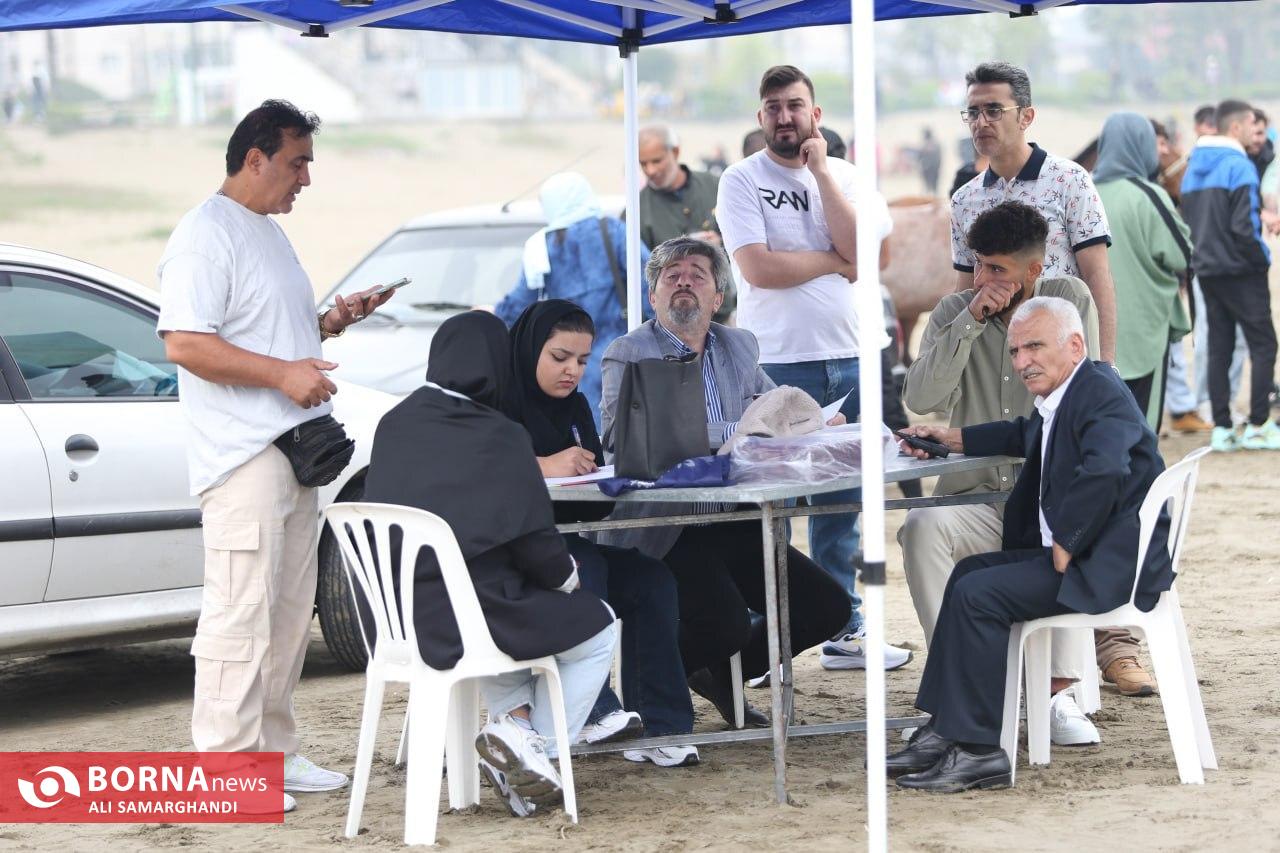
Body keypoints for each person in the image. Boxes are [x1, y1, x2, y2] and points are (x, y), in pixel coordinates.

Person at [158, 100, 387, 812]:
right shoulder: (204, 235)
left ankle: (274, 753)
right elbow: (185, 342)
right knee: (240, 612)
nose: (306, 178)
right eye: (298, 162)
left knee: (288, 616)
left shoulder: (268, 232)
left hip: (295, 452)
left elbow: (264, 333)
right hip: (244, 455)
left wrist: (331, 323)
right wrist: (284, 375)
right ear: (254, 159)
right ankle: (225, 771)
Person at [889, 296, 1173, 792]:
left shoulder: (1099, 392)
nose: (1022, 361)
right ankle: (946, 727)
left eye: (1035, 347)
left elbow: (1106, 468)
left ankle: (980, 752)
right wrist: (951, 438)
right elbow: (1025, 433)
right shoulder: (1073, 391)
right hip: (1090, 557)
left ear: (1076, 345)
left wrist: (1068, 538)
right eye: (1017, 350)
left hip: (1102, 567)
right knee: (969, 575)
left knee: (979, 595)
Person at [901, 201, 1153, 720]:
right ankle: (963, 689)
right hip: (975, 498)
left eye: (997, 269)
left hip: (1043, 499)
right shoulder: (952, 312)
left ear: (1034, 269)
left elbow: (1071, 400)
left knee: (1060, 523)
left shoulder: (1066, 301)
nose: (982, 280)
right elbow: (922, 398)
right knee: (921, 526)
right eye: (978, 265)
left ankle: (1055, 696)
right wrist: (970, 322)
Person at [363, 311, 616, 817]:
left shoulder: (394, 423)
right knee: (596, 626)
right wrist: (567, 578)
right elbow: (535, 541)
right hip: (467, 619)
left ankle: (515, 734)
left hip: (393, 619)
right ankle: (535, 752)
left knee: (508, 615)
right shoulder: (499, 434)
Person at [598, 236, 851, 727]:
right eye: (671, 277)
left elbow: (778, 409)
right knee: (724, 622)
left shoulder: (739, 345)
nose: (683, 282)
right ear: (653, 296)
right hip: (667, 524)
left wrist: (815, 418)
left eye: (697, 275)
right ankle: (648, 684)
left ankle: (719, 676)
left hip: (734, 518)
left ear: (717, 298)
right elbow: (618, 438)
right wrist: (739, 430)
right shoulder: (627, 353)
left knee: (828, 607)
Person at [716, 65, 911, 672]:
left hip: (853, 356)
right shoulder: (741, 180)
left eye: (795, 105)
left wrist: (822, 173)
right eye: (773, 106)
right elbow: (759, 269)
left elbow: (866, 254)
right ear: (760, 117)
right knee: (772, 506)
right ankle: (767, 637)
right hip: (776, 362)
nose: (785, 117)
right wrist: (833, 259)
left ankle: (845, 628)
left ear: (815, 114)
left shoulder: (847, 177)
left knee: (843, 506)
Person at [504, 299, 698, 768]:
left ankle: (661, 727)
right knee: (584, 566)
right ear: (529, 350)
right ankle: (595, 710)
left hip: (567, 543)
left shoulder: (574, 407)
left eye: (582, 361)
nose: (572, 371)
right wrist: (542, 466)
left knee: (651, 579)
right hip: (509, 560)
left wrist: (611, 474)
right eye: (559, 357)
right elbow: (478, 473)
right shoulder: (497, 404)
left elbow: (594, 503)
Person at [951, 61, 1118, 363]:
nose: (981, 122)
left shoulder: (1069, 180)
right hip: (992, 359)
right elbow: (964, 289)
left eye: (994, 110)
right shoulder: (964, 199)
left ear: (1026, 116)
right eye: (973, 112)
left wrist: (1104, 365)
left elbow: (1097, 275)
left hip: (1060, 355)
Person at [494, 172, 651, 420]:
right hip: (623, 354)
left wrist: (491, 318)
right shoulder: (615, 232)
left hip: (571, 362)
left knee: (585, 429)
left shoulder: (541, 248)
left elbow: (519, 305)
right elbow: (650, 285)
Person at [1180, 99, 1280, 452]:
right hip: (1242, 270)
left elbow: (1188, 224)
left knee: (1219, 347)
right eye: (1252, 123)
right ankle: (1259, 424)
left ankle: (1222, 428)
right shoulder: (1240, 165)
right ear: (1235, 127)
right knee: (1264, 344)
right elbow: (1243, 228)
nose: (1257, 130)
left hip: (1206, 270)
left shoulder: (1193, 167)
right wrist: (1262, 259)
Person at [1093, 112, 1193, 433]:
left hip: (1090, 334)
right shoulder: (1147, 195)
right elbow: (1182, 255)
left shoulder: (1083, 191)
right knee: (1141, 431)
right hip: (1142, 332)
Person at [636, 124, 733, 322]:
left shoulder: (716, 186)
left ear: (675, 152)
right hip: (674, 320)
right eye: (643, 164)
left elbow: (747, 241)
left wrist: (720, 244)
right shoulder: (635, 211)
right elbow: (639, 275)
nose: (650, 170)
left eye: (657, 161)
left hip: (724, 313)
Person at [917, 127, 943, 196]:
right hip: (932, 169)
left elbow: (919, 157)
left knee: (929, 187)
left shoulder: (924, 145)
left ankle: (930, 198)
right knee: (932, 187)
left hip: (929, 169)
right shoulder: (936, 144)